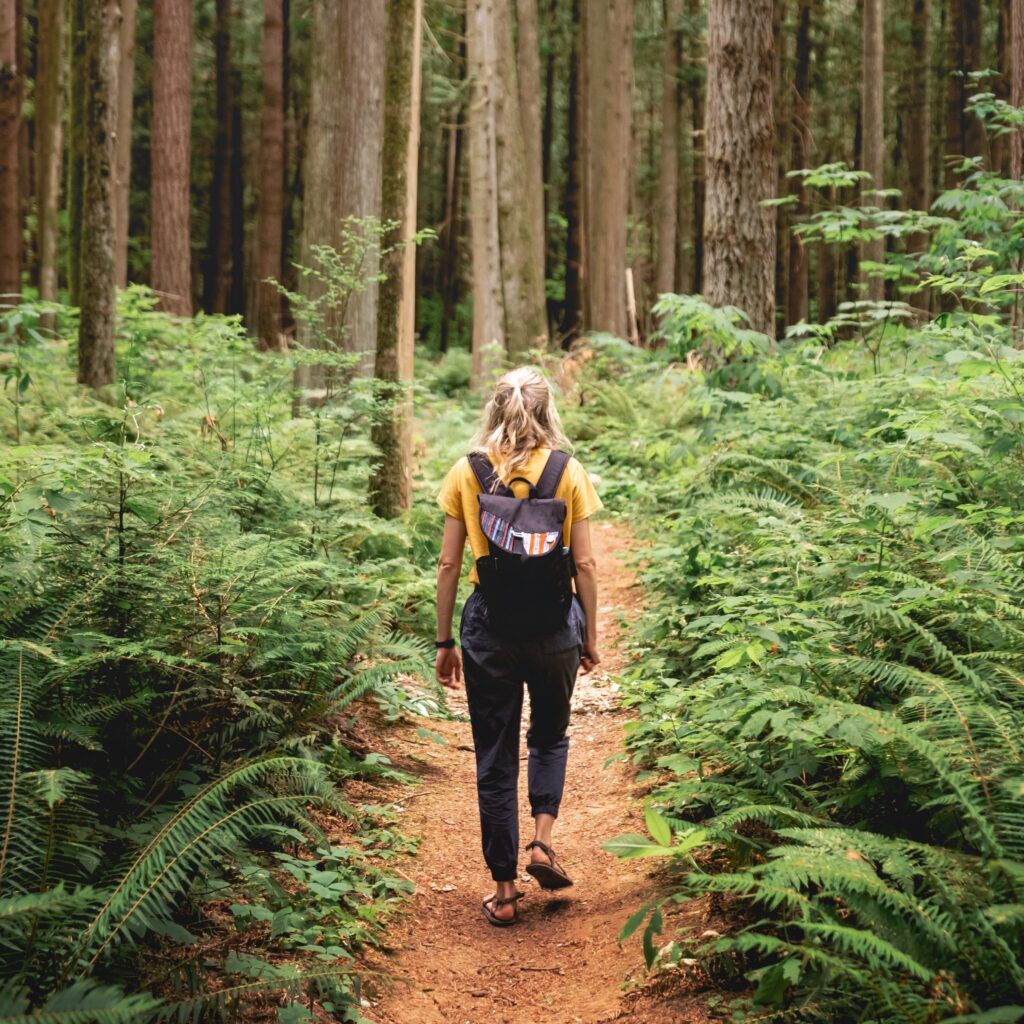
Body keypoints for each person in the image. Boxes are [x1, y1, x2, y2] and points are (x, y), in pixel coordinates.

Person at [434, 365, 603, 926]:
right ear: (547, 410)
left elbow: (449, 564)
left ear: (494, 410)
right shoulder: (567, 471)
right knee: (550, 734)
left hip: (490, 629)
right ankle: (542, 842)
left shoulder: (468, 472)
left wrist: (443, 641)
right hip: (555, 626)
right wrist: (589, 635)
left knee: (495, 754)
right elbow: (583, 563)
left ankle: (505, 893)